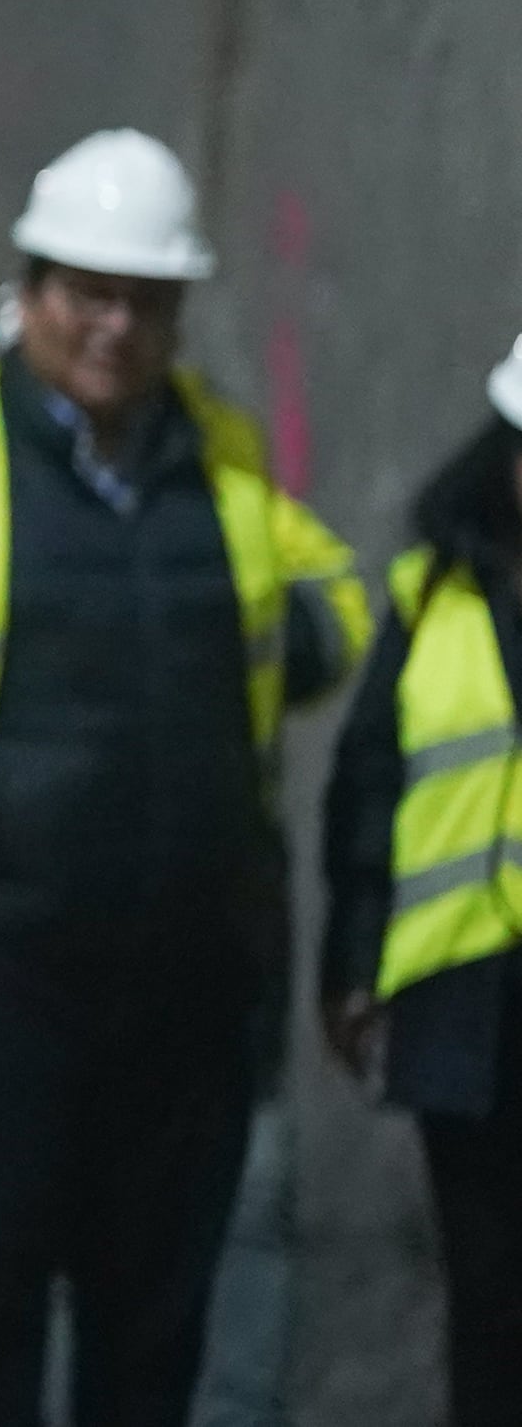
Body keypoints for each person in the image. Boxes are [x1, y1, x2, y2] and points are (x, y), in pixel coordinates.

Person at [0, 129, 365, 1427]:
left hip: (183, 984)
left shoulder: (220, 453)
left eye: (146, 301)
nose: (114, 325)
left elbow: (328, 602)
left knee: (151, 1325)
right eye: (88, 293)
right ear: (30, 289)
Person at [320, 335, 522, 1425]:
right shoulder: (434, 594)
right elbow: (365, 787)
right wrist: (351, 966)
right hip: (463, 997)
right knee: (486, 1297)